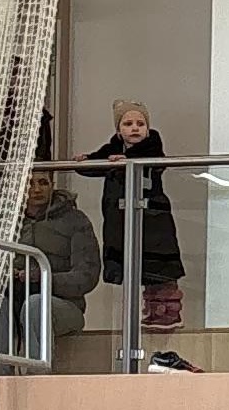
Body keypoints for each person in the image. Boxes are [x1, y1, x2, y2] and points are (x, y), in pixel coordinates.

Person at [76, 101, 185, 330]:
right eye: (128, 124)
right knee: (133, 264)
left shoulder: (152, 145)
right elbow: (97, 162)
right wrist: (83, 161)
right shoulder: (113, 148)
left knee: (159, 267)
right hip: (123, 217)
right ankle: (144, 314)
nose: (135, 128)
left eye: (140, 124)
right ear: (118, 130)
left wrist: (128, 160)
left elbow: (156, 161)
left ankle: (165, 312)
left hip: (153, 217)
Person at [13, 169, 102, 338]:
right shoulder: (7, 222)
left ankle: (37, 366)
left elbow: (87, 276)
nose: (37, 189)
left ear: (52, 186)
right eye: (29, 183)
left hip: (66, 305)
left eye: (43, 183)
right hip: (15, 302)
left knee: (36, 305)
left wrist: (44, 278)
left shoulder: (75, 220)